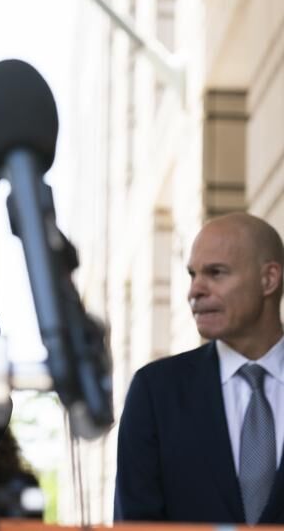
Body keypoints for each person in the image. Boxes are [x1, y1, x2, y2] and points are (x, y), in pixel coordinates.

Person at [115, 212, 284, 523]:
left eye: (216, 273)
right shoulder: (155, 392)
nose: (195, 291)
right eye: (193, 275)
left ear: (269, 279)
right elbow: (136, 523)